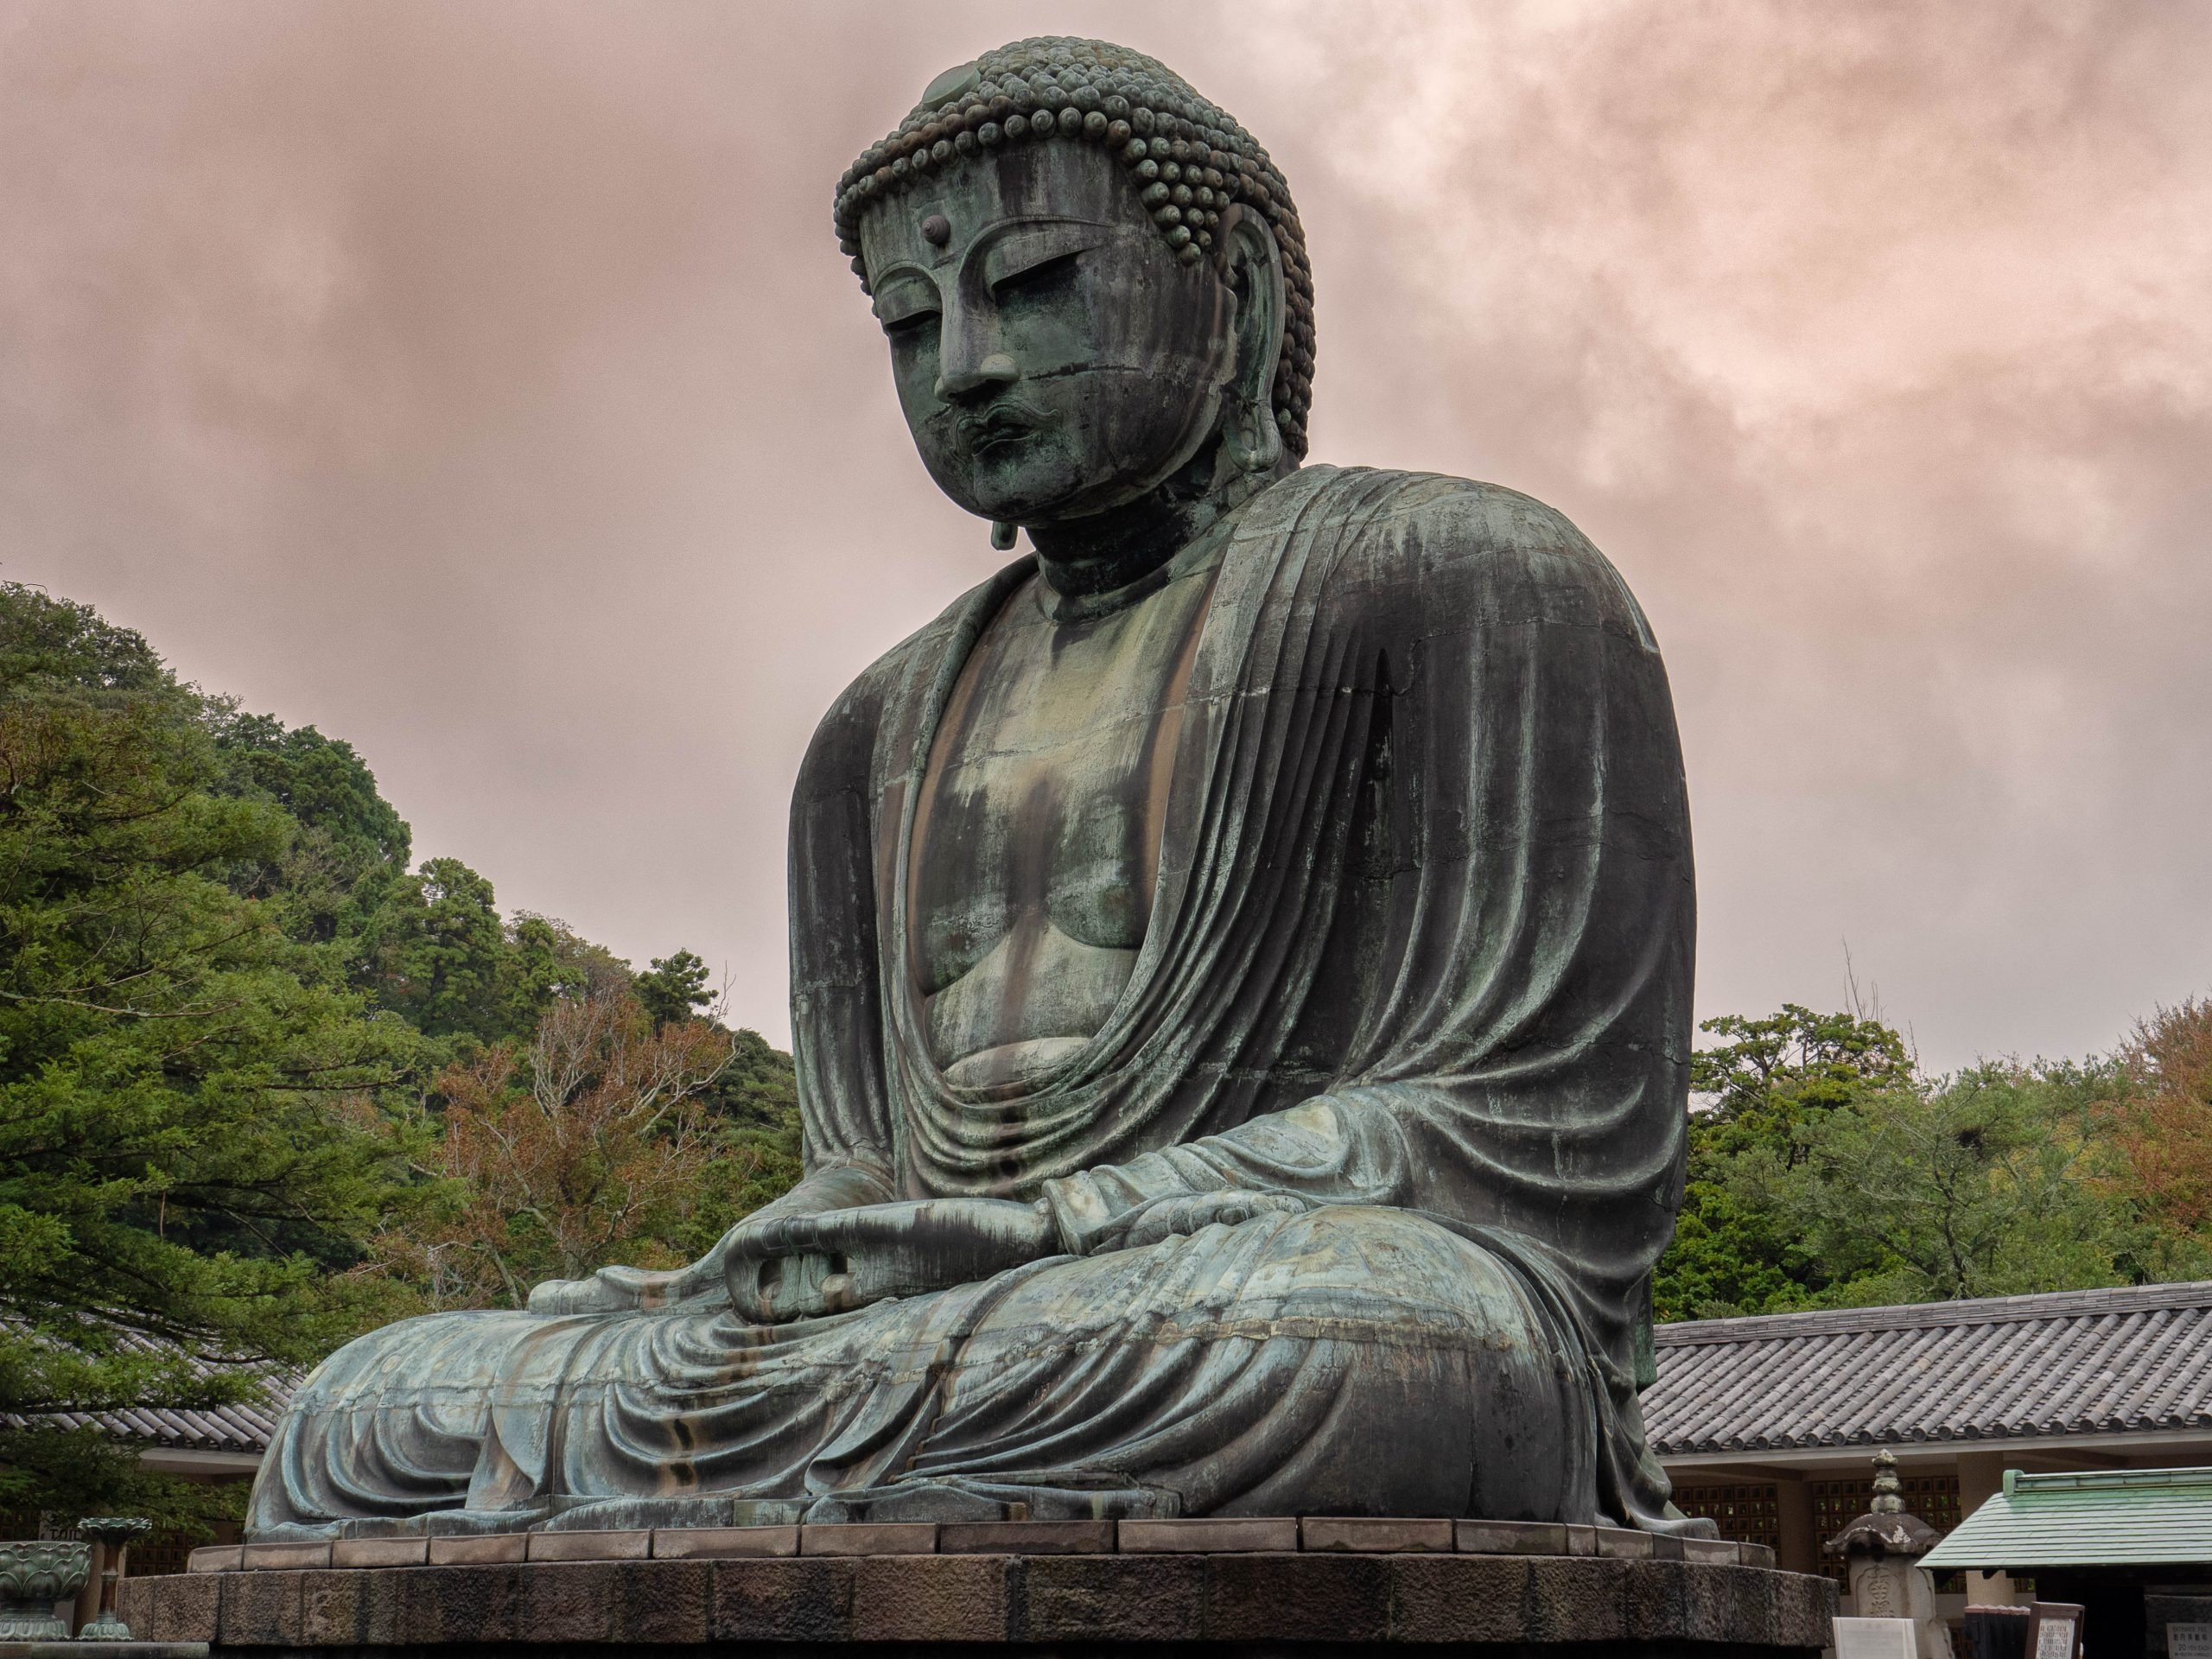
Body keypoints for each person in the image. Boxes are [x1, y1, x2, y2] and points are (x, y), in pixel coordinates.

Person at [247, 36, 1705, 1539]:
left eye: (1033, 284)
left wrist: (1059, 1221)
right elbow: (872, 1156)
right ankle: (809, 1483)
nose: (966, 367)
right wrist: (799, 1245)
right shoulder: (872, 730)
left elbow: (1535, 1133)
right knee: (357, 1408)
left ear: (1246, 288)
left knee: (1385, 1349)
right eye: (908, 321)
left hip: (1257, 1289)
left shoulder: (1467, 578)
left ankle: (795, 1482)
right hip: (960, 1330)